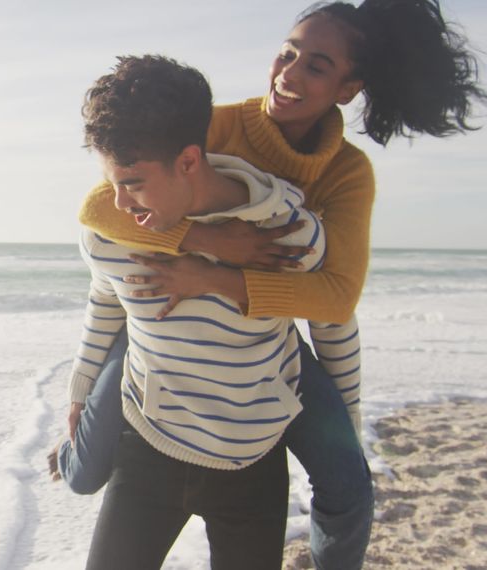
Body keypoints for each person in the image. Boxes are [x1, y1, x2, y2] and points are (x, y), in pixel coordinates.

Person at [54, 1, 487, 569]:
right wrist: (205, 241)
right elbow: (104, 208)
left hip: (266, 333)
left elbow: (335, 300)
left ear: (347, 86)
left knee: (349, 482)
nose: (288, 73)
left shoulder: (345, 176)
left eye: (315, 65)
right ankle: (71, 452)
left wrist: (218, 277)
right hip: (165, 318)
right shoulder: (214, 125)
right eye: (286, 52)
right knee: (89, 461)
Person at [70, 53, 334, 570]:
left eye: (132, 182)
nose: (119, 203)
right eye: (111, 183)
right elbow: (105, 299)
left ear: (189, 161)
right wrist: (80, 390)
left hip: (252, 461)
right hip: (148, 446)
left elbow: (331, 320)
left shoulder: (284, 234)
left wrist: (348, 417)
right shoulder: (111, 234)